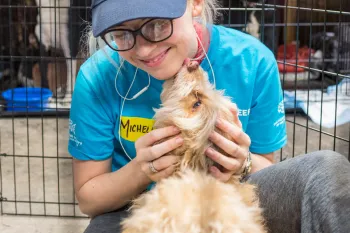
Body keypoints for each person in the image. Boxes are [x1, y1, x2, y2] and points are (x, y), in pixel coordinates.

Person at [68, 0, 350, 232]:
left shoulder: (253, 62)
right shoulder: (97, 76)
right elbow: (89, 199)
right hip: (141, 206)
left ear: (195, 4)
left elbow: (267, 174)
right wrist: (142, 170)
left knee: (326, 169)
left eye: (157, 25)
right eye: (121, 34)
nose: (143, 49)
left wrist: (244, 162)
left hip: (231, 199)